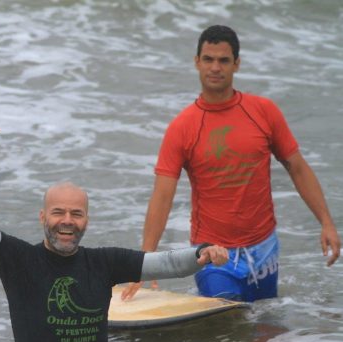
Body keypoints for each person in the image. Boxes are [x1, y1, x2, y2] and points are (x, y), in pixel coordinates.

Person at [0, 113, 229, 342]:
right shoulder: (19, 262)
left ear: (87, 220)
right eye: (58, 212)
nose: (67, 221)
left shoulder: (103, 263)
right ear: (42, 217)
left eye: (77, 213)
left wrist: (201, 254)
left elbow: (164, 264)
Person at [121, 25, 340, 303]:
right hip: (213, 253)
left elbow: (296, 167)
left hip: (264, 248)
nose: (215, 67)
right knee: (228, 327)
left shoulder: (263, 111)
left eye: (224, 60)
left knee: (265, 332)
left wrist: (327, 223)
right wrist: (145, 262)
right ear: (197, 62)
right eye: (208, 59)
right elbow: (163, 195)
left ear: (236, 64)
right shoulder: (183, 127)